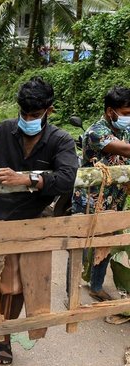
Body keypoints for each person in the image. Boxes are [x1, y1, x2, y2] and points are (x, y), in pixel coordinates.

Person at [0, 77, 78, 366]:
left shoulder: (61, 140)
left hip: (30, 222)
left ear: (49, 111)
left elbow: (67, 178)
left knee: (14, 286)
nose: (28, 119)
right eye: (24, 114)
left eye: (35, 115)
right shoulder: (5, 129)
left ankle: (3, 339)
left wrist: (27, 178)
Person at [71, 86, 130, 302]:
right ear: (109, 112)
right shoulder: (95, 132)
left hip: (115, 199)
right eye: (125, 113)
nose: (128, 118)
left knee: (105, 244)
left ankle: (96, 286)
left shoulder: (125, 131)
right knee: (79, 246)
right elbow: (125, 150)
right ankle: (72, 292)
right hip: (89, 201)